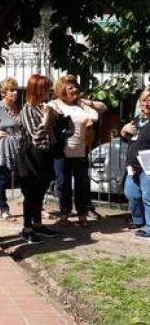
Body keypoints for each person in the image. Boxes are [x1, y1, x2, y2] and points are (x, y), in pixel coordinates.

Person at [48, 75, 107, 226]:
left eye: (76, 87)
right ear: (62, 90)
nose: (75, 90)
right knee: (63, 183)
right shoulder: (55, 104)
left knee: (82, 183)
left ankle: (82, 214)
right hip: (61, 151)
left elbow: (103, 108)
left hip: (80, 151)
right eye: (70, 88)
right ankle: (65, 213)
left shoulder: (81, 104)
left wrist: (87, 103)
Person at [18, 74, 58, 244]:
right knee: (31, 192)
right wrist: (47, 118)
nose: (49, 92)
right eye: (46, 89)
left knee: (41, 190)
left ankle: (38, 224)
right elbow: (36, 135)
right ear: (37, 90)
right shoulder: (27, 109)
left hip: (45, 153)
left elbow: (51, 133)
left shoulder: (43, 107)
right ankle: (27, 229)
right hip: (31, 155)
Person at [122, 88, 150, 235]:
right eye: (143, 100)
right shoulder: (139, 118)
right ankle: (138, 220)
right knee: (131, 192)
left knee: (148, 196)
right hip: (133, 164)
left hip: (148, 161)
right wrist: (124, 131)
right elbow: (129, 137)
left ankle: (149, 228)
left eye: (149, 100)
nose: (146, 104)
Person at [0, 77, 22, 220]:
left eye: (16, 90)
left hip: (19, 146)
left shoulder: (18, 107)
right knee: (2, 179)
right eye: (11, 90)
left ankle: (36, 207)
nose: (15, 93)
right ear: (3, 93)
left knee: (25, 178)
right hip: (3, 148)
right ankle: (3, 208)